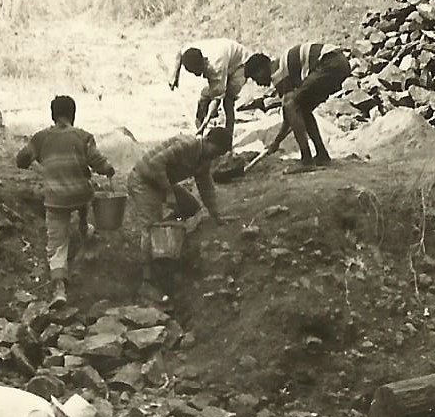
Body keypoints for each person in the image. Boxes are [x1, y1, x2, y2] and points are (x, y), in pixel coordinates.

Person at [16, 95, 117, 305]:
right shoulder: (83, 137)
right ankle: (83, 228)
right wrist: (108, 169)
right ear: (73, 115)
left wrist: (36, 163)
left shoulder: (40, 138)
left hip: (56, 199)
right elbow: (97, 161)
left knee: (57, 244)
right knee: (83, 197)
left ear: (53, 115)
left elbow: (21, 160)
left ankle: (59, 289)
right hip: (80, 194)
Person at [126, 128, 230, 293]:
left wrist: (216, 215)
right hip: (143, 180)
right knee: (151, 226)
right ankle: (147, 279)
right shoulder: (187, 145)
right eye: (216, 151)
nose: (215, 156)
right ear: (207, 140)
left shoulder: (204, 159)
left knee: (191, 206)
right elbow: (155, 163)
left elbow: (206, 187)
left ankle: (167, 240)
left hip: (162, 183)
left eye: (219, 154)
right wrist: (168, 192)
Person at [243, 43, 352, 171]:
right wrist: (277, 141)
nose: (258, 83)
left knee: (292, 106)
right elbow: (293, 114)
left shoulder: (277, 72)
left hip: (330, 62)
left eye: (255, 78)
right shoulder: (281, 67)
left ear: (261, 69)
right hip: (339, 63)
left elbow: (289, 112)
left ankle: (306, 159)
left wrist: (276, 142)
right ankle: (322, 154)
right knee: (303, 109)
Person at [170, 39, 248, 138]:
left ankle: (228, 137)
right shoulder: (190, 50)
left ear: (203, 62)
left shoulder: (216, 67)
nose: (197, 75)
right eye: (193, 72)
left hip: (240, 64)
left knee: (228, 100)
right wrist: (174, 75)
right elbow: (180, 53)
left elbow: (216, 99)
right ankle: (199, 134)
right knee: (204, 97)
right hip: (225, 55)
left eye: (198, 71)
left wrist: (205, 123)